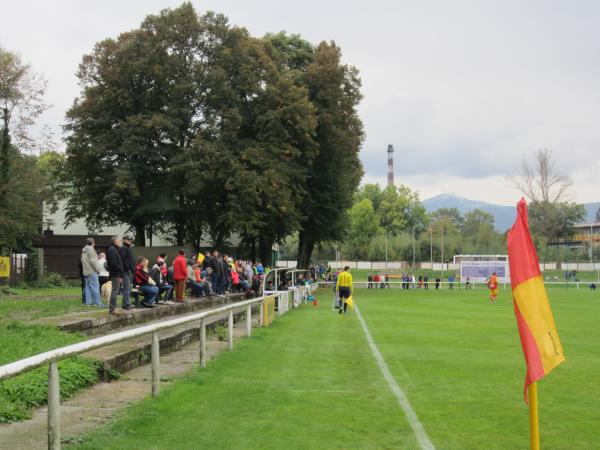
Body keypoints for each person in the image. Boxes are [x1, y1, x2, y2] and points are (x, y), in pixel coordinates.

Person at [106, 236, 133, 313]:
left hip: (117, 273)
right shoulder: (112, 250)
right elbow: (113, 263)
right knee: (115, 291)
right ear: (115, 241)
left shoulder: (115, 249)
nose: (121, 242)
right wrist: (119, 273)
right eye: (119, 241)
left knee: (116, 290)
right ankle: (112, 308)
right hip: (115, 274)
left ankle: (113, 308)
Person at [81, 238, 103, 307]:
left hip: (86, 270)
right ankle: (97, 302)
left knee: (88, 286)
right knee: (95, 286)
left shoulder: (84, 250)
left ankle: (88, 302)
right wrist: (97, 269)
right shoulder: (91, 250)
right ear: (93, 242)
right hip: (92, 270)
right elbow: (93, 261)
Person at [119, 236, 136, 310]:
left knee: (128, 288)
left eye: (131, 240)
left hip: (129, 271)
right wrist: (128, 269)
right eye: (129, 240)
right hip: (126, 271)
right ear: (125, 240)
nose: (131, 241)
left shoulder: (127, 248)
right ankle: (126, 304)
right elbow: (123, 260)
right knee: (127, 288)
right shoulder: (123, 248)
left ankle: (127, 303)